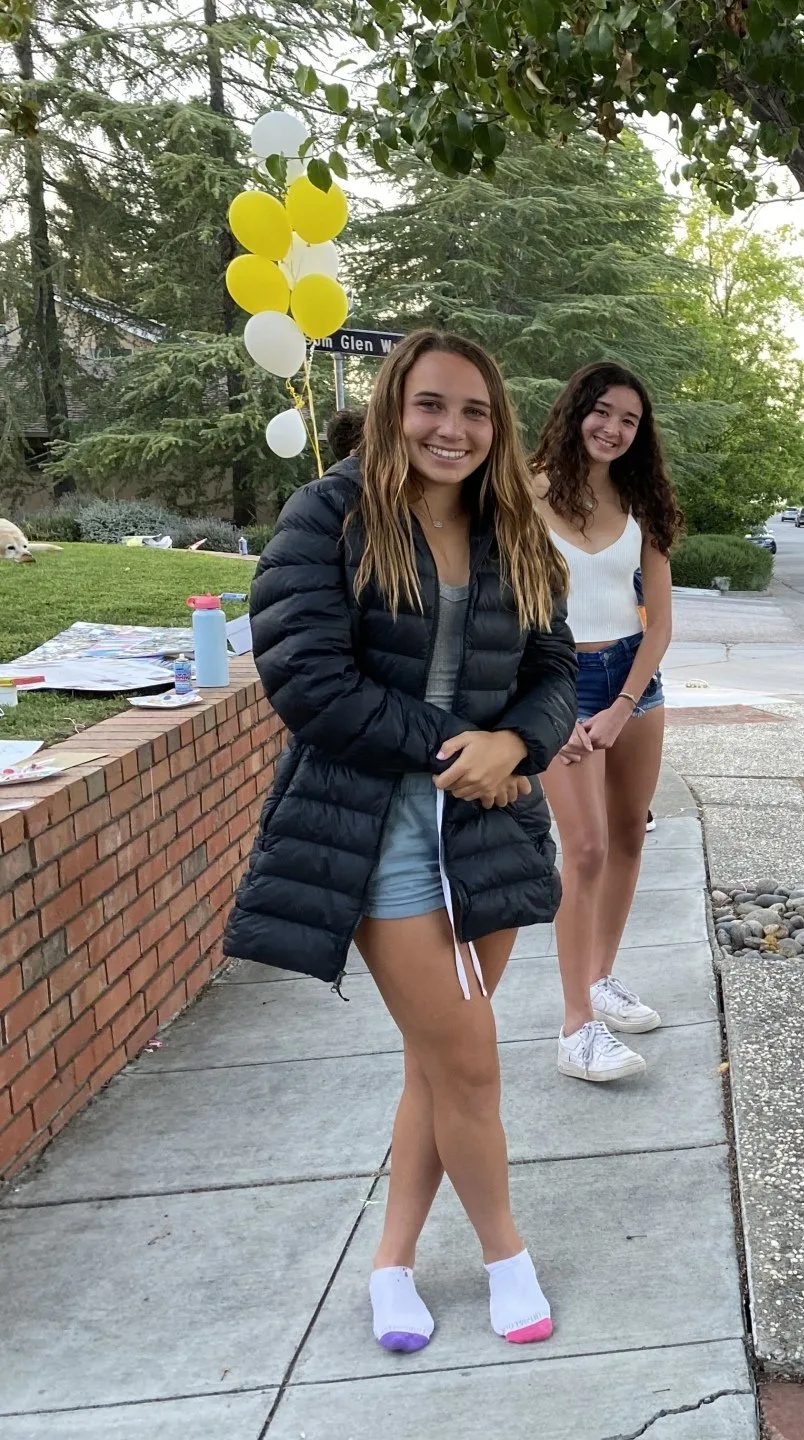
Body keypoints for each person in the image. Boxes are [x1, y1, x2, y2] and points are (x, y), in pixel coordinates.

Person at [223, 331, 577, 1353]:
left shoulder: (513, 525)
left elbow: (555, 668)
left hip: (488, 825)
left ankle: (390, 1264)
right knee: (469, 1061)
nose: (451, 429)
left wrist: (518, 743)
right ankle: (507, 1258)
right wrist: (463, 748)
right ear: (391, 408)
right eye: (430, 405)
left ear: (496, 425)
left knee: (437, 1062)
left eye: (474, 411)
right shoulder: (327, 517)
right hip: (371, 827)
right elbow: (307, 679)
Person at [530, 362, 683, 1082]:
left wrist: (625, 704)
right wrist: (542, 705)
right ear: (575, 411)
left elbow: (660, 623)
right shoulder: (525, 495)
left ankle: (600, 978)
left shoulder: (641, 500)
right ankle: (575, 1028)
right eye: (602, 412)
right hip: (556, 677)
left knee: (627, 837)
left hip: (632, 681)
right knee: (584, 849)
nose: (613, 429)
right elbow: (506, 612)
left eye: (629, 420)